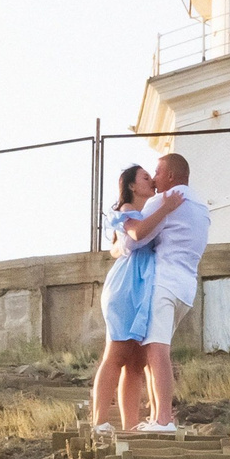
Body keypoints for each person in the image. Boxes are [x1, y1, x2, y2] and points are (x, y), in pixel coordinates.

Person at [117, 151, 210, 433]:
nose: (155, 179)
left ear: (170, 175)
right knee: (154, 351)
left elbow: (134, 241)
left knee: (157, 352)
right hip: (186, 287)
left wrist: (117, 244)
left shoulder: (164, 201)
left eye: (157, 173)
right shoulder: (201, 206)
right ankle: (158, 415)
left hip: (164, 283)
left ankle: (164, 419)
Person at [89, 163, 158, 436]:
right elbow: (132, 239)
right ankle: (99, 422)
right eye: (145, 177)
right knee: (116, 354)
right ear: (131, 185)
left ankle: (130, 425)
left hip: (144, 284)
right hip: (126, 285)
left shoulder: (149, 210)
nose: (151, 180)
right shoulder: (129, 210)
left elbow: (117, 247)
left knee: (136, 362)